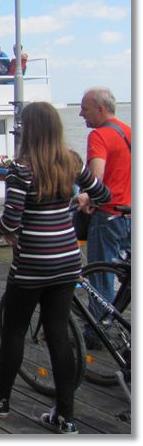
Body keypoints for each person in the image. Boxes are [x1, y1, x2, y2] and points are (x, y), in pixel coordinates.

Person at [0, 102, 111, 435]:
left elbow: (10, 222)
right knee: (58, 334)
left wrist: (4, 229)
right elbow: (102, 193)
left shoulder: (21, 171)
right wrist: (81, 201)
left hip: (32, 264)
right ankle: (65, 416)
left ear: (29, 131)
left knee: (15, 330)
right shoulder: (71, 161)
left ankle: (0, 398)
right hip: (68, 261)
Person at [76, 87, 131, 315]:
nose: (81, 114)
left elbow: (96, 176)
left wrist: (87, 195)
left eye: (85, 109)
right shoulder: (130, 132)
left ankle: (99, 327)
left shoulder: (99, 135)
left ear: (100, 110)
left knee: (101, 276)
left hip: (108, 215)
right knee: (129, 275)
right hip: (130, 213)